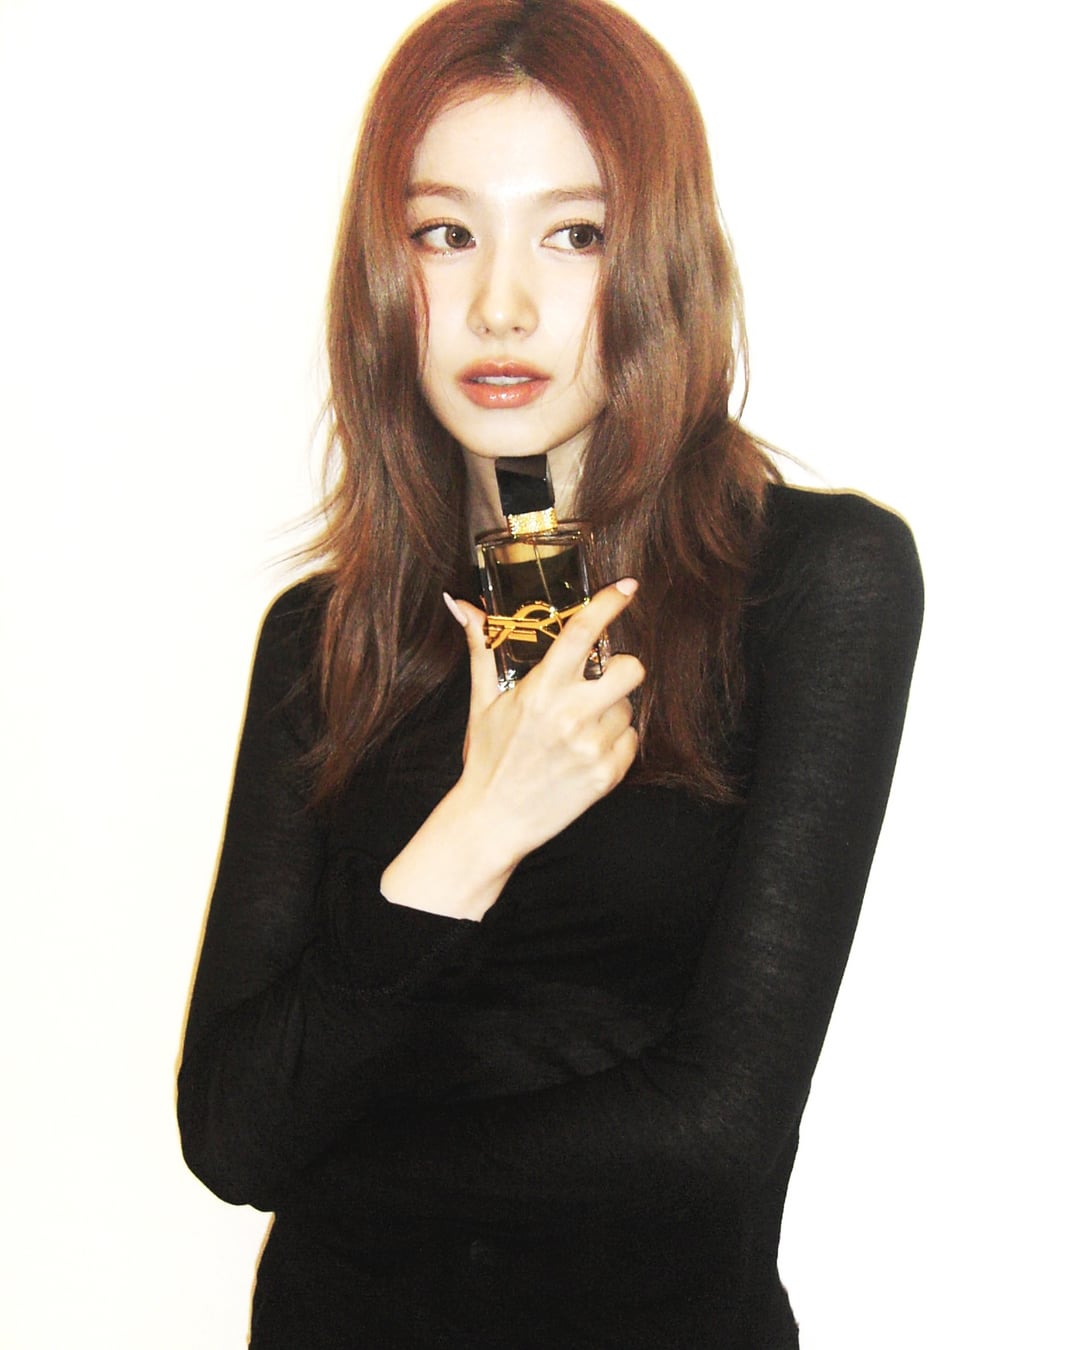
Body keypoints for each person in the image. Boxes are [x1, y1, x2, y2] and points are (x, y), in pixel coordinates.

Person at [177, 0, 923, 1345]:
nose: (501, 304)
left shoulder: (815, 582)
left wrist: (328, 1171)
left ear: (662, 258)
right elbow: (229, 1128)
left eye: (574, 234)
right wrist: (477, 828)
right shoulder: (325, 635)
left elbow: (715, 1132)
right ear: (386, 270)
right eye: (445, 234)